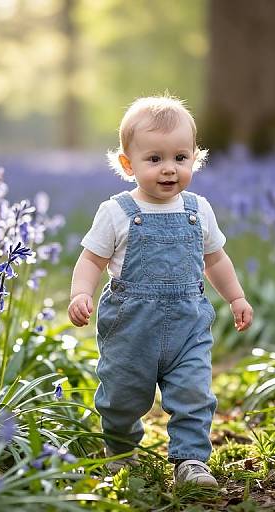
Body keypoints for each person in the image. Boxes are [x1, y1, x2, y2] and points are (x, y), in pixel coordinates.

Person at [68, 95, 253, 487]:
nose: (169, 169)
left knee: (193, 393)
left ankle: (190, 461)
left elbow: (215, 260)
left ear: (194, 159)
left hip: (188, 325)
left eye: (180, 158)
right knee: (121, 396)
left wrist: (235, 297)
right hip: (130, 328)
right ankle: (119, 451)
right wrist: (80, 293)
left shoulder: (198, 209)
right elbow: (91, 260)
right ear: (127, 164)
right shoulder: (116, 212)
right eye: (155, 159)